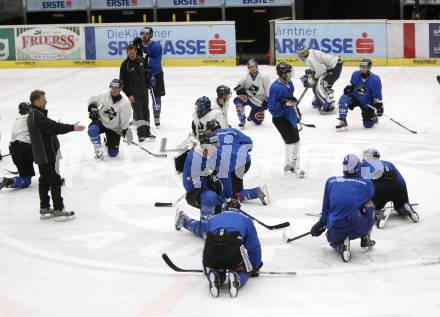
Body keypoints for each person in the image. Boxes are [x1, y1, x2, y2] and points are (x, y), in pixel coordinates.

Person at [27, 90, 84, 219]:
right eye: (43, 99)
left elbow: (51, 127)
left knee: (45, 180)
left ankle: (45, 207)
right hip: (46, 155)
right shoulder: (37, 116)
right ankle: (58, 208)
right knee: (54, 180)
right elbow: (53, 127)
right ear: (35, 101)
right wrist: (72, 128)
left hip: (43, 154)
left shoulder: (36, 114)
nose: (45, 101)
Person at [310, 154, 376, 262]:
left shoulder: (330, 181)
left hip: (336, 227)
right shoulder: (366, 183)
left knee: (330, 237)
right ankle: (366, 237)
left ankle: (338, 245)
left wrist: (321, 224)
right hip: (358, 226)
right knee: (369, 204)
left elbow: (326, 207)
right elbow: (367, 196)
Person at [202, 199, 262, 298]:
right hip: (233, 249)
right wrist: (256, 265)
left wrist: (206, 267)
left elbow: (206, 241)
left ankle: (214, 275)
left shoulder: (212, 219)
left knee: (216, 267)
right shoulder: (246, 220)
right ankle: (237, 276)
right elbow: (254, 246)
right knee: (245, 270)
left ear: (223, 208)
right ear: (238, 209)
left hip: (212, 250)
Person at [205, 119, 269, 205]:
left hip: (231, 167)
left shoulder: (210, 139)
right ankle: (253, 192)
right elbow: (249, 143)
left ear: (209, 130)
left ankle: (258, 192)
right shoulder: (232, 130)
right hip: (246, 161)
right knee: (235, 189)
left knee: (231, 196)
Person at [175, 131, 225, 238]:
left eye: (216, 144)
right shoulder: (194, 158)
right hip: (198, 194)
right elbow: (192, 186)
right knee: (207, 233)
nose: (215, 148)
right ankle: (184, 220)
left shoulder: (217, 154)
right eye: (212, 145)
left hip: (214, 191)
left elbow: (226, 176)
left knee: (227, 222)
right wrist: (209, 179)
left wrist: (230, 197)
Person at [360, 148, 419, 229]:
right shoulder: (388, 163)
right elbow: (401, 180)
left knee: (369, 209)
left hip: (380, 190)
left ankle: (377, 213)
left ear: (369, 157)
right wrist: (404, 197)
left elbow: (360, 185)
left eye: (365, 157)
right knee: (401, 204)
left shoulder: (364, 166)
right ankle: (406, 207)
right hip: (398, 187)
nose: (363, 159)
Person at [267, 62, 305, 178]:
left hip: (290, 116)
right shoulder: (275, 87)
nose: (290, 75)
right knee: (291, 143)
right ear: (282, 74)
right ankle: (291, 167)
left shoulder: (290, 84)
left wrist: (296, 111)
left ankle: (292, 166)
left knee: (296, 142)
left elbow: (291, 101)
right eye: (288, 73)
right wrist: (283, 103)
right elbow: (272, 108)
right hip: (281, 118)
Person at [87, 79, 133, 159]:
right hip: (101, 122)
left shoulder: (125, 103)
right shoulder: (105, 94)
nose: (114, 90)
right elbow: (91, 100)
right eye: (112, 88)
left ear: (120, 89)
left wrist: (124, 131)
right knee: (92, 130)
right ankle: (97, 148)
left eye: (116, 88)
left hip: (114, 128)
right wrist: (93, 108)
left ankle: (106, 141)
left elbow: (125, 120)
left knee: (113, 154)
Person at [119, 44, 155, 142]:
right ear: (127, 53)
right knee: (139, 114)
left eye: (133, 53)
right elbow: (123, 82)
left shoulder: (141, 59)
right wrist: (129, 94)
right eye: (130, 53)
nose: (132, 55)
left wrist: (150, 78)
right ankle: (141, 134)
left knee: (146, 112)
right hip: (134, 95)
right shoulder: (125, 65)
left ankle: (147, 132)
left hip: (144, 92)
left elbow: (147, 71)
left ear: (136, 52)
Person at [335, 59, 383, 130]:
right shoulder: (355, 74)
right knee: (344, 98)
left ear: (369, 67)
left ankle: (373, 116)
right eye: (361, 67)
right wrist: (349, 89)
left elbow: (377, 94)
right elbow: (353, 85)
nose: (362, 69)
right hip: (355, 98)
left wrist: (379, 106)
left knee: (368, 125)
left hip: (367, 102)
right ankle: (343, 120)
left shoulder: (375, 79)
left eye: (365, 67)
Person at [133, 26, 165, 127]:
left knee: (156, 97)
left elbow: (154, 62)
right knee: (138, 97)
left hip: (155, 74)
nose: (145, 35)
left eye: (147, 34)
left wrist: (147, 70)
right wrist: (134, 47)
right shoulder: (138, 45)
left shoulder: (156, 47)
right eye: (143, 33)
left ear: (151, 35)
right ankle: (136, 118)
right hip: (141, 76)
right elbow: (132, 58)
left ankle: (156, 116)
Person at [0, 102, 35, 191]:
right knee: (26, 181)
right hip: (24, 148)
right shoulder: (30, 118)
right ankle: (7, 181)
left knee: (25, 175)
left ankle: (7, 180)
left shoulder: (18, 119)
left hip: (14, 148)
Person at [297, 48, 343, 113]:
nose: (304, 55)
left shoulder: (310, 59)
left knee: (322, 84)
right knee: (319, 83)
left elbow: (321, 71)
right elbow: (318, 68)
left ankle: (328, 103)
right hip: (334, 65)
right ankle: (319, 100)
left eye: (303, 54)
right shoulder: (310, 53)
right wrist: (313, 76)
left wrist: (313, 78)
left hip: (334, 67)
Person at [233, 59, 270, 128]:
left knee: (258, 122)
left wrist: (266, 101)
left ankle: (252, 115)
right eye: (250, 67)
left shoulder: (265, 77)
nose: (252, 68)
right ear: (248, 68)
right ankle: (242, 119)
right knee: (238, 100)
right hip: (249, 98)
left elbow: (269, 90)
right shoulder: (245, 78)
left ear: (257, 67)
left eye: (254, 66)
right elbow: (237, 88)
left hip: (260, 101)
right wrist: (239, 91)